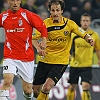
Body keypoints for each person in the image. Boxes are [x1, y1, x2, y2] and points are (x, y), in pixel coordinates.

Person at [32, 0, 94, 100]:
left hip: (60, 62)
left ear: (62, 11)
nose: (55, 13)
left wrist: (88, 38)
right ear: (49, 11)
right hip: (45, 60)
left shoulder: (69, 24)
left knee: (47, 87)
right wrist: (38, 48)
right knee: (35, 91)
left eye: (57, 10)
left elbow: (81, 32)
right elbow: (34, 38)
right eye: (53, 10)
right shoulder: (44, 24)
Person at [0, 0, 47, 100]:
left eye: (17, 0)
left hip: (26, 58)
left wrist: (44, 40)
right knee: (7, 82)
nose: (15, 3)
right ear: (8, 1)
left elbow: (42, 27)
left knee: (28, 90)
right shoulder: (3, 17)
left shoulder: (27, 15)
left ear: (20, 1)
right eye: (12, 0)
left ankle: (28, 97)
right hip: (10, 56)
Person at [67, 13, 100, 100]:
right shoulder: (74, 35)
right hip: (75, 65)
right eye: (84, 21)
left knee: (85, 86)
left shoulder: (95, 35)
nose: (85, 22)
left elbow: (98, 49)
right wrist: (69, 57)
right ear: (80, 22)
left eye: (87, 21)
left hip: (87, 65)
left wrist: (99, 59)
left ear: (90, 22)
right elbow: (67, 48)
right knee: (72, 87)